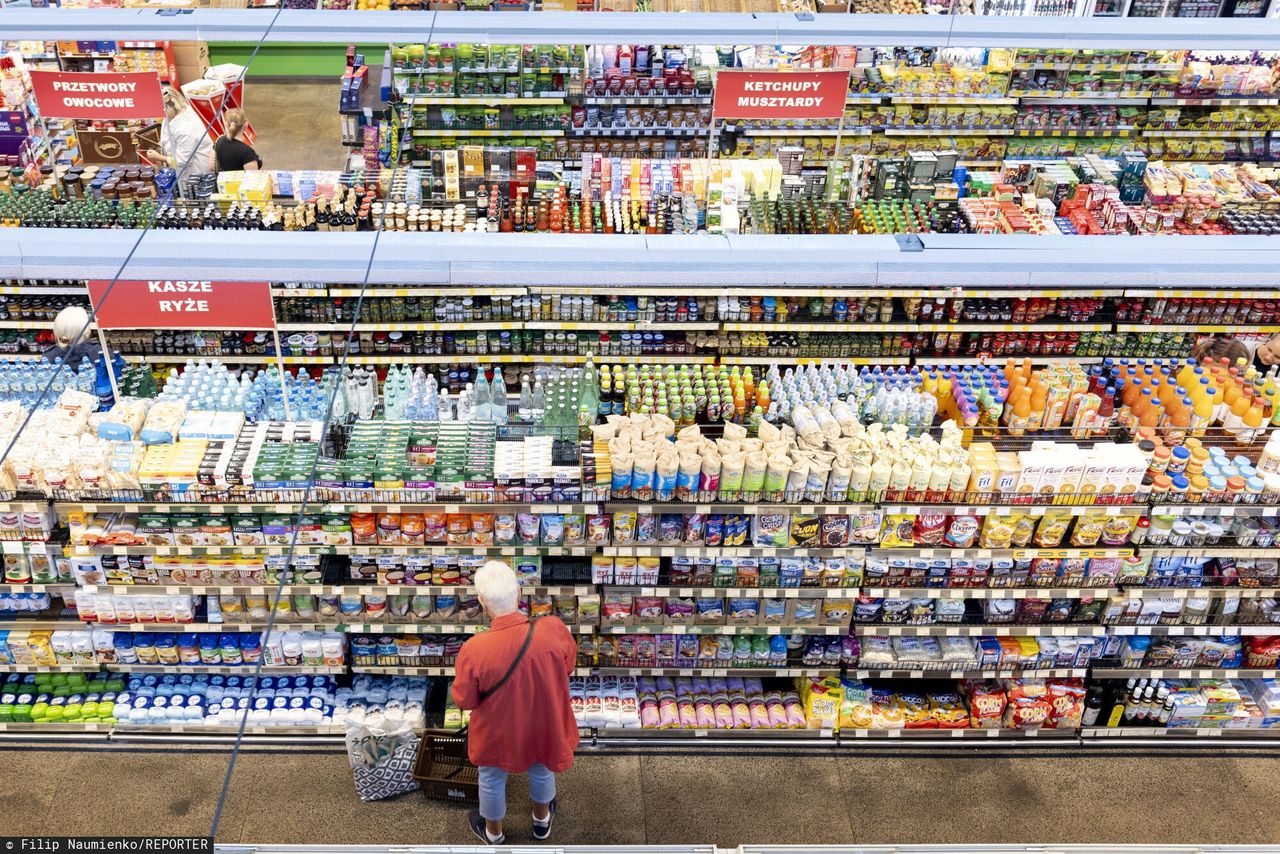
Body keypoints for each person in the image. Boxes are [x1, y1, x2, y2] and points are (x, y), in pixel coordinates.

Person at [451, 560, 578, 846]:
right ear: (518, 594)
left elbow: (465, 699)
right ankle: (541, 822)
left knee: (491, 778)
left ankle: (494, 833)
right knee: (542, 767)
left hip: (498, 730)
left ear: (483, 603)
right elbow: (567, 665)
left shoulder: (474, 650)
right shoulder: (553, 629)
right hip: (542, 722)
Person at [143, 87, 214, 191]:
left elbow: (183, 161)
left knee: (195, 197)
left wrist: (159, 157)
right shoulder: (179, 112)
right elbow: (168, 132)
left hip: (196, 172)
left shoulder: (185, 128)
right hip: (185, 171)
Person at [213, 109, 262, 173]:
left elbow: (212, 166)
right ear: (246, 125)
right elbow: (252, 178)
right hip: (240, 183)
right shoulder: (246, 152)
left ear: (226, 124)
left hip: (223, 181)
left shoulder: (219, 141)